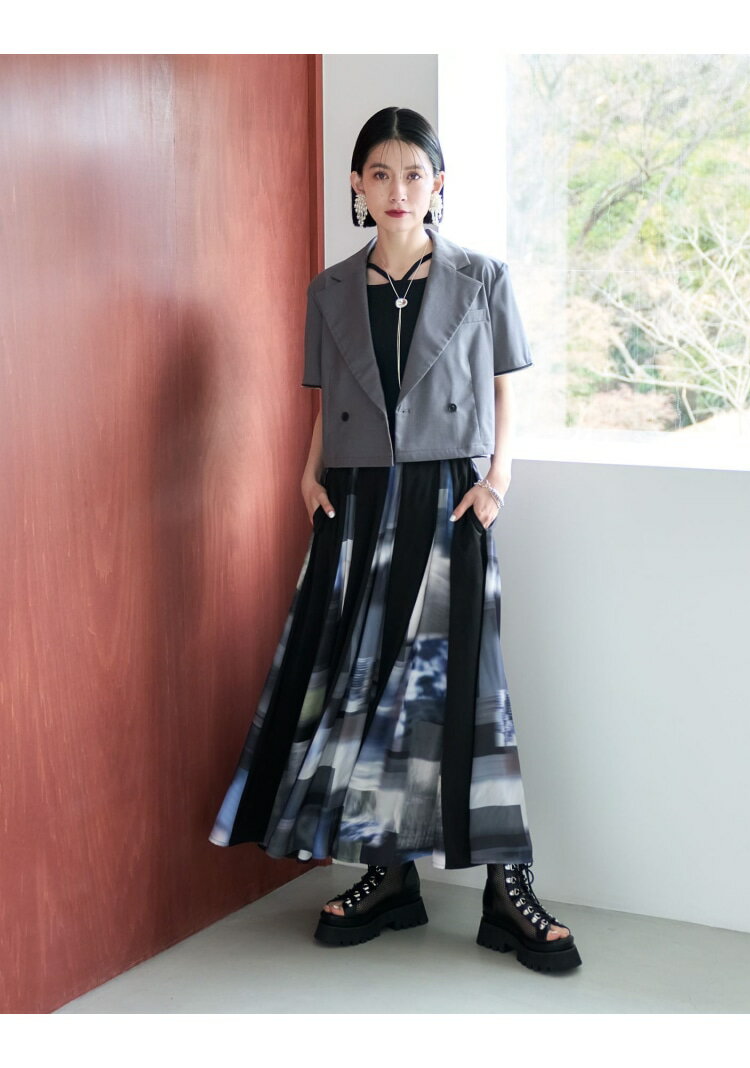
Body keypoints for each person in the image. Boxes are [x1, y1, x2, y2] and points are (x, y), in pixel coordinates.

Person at [210, 106, 581, 974]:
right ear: (357, 185)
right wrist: (307, 476)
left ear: (437, 185)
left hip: (450, 497)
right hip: (355, 500)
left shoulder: (482, 278)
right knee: (365, 679)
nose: (397, 189)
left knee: (468, 690)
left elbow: (504, 388)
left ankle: (508, 887)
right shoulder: (330, 289)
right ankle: (389, 875)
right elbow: (328, 400)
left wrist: (497, 481)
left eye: (414, 173)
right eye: (380, 173)